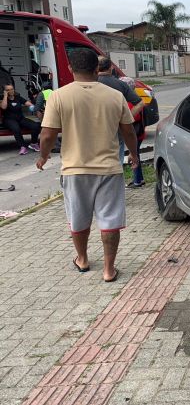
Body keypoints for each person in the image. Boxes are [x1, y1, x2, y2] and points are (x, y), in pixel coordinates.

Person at [36, 48, 139, 283]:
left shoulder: (59, 96)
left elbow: (47, 134)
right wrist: (133, 155)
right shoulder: (115, 96)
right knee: (110, 220)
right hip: (109, 169)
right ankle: (108, 270)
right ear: (97, 69)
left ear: (71, 69)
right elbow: (128, 131)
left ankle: (82, 259)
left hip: (75, 170)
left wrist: (43, 156)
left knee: (78, 218)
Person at [97, 56, 143, 163]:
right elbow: (140, 103)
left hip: (94, 130)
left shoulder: (89, 84)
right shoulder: (120, 84)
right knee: (117, 160)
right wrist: (126, 118)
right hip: (116, 129)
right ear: (111, 68)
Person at [120, 76, 146, 188]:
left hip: (135, 134)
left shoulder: (130, 102)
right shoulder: (135, 99)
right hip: (139, 133)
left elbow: (131, 120)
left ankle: (137, 181)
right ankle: (139, 179)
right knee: (136, 155)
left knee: (134, 155)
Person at [1, 84, 40, 155]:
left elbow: (28, 103)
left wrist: (32, 106)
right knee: (16, 128)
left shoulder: (18, 97)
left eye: (12, 89)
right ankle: (23, 147)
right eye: (8, 90)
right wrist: (5, 96)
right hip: (9, 120)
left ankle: (34, 143)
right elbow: (3, 107)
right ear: (5, 91)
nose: (11, 91)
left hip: (20, 118)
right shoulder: (3, 98)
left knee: (36, 126)